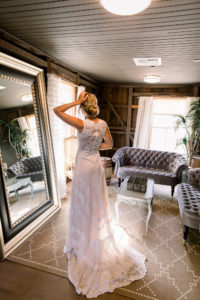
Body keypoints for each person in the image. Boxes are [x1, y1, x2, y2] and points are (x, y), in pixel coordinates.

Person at [53, 91, 147, 298]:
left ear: (83, 108)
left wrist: (76, 100)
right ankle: (95, 233)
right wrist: (95, 146)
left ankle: (85, 239)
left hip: (84, 164)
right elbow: (110, 145)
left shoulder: (81, 124)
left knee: (82, 201)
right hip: (95, 162)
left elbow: (56, 110)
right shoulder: (103, 123)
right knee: (96, 202)